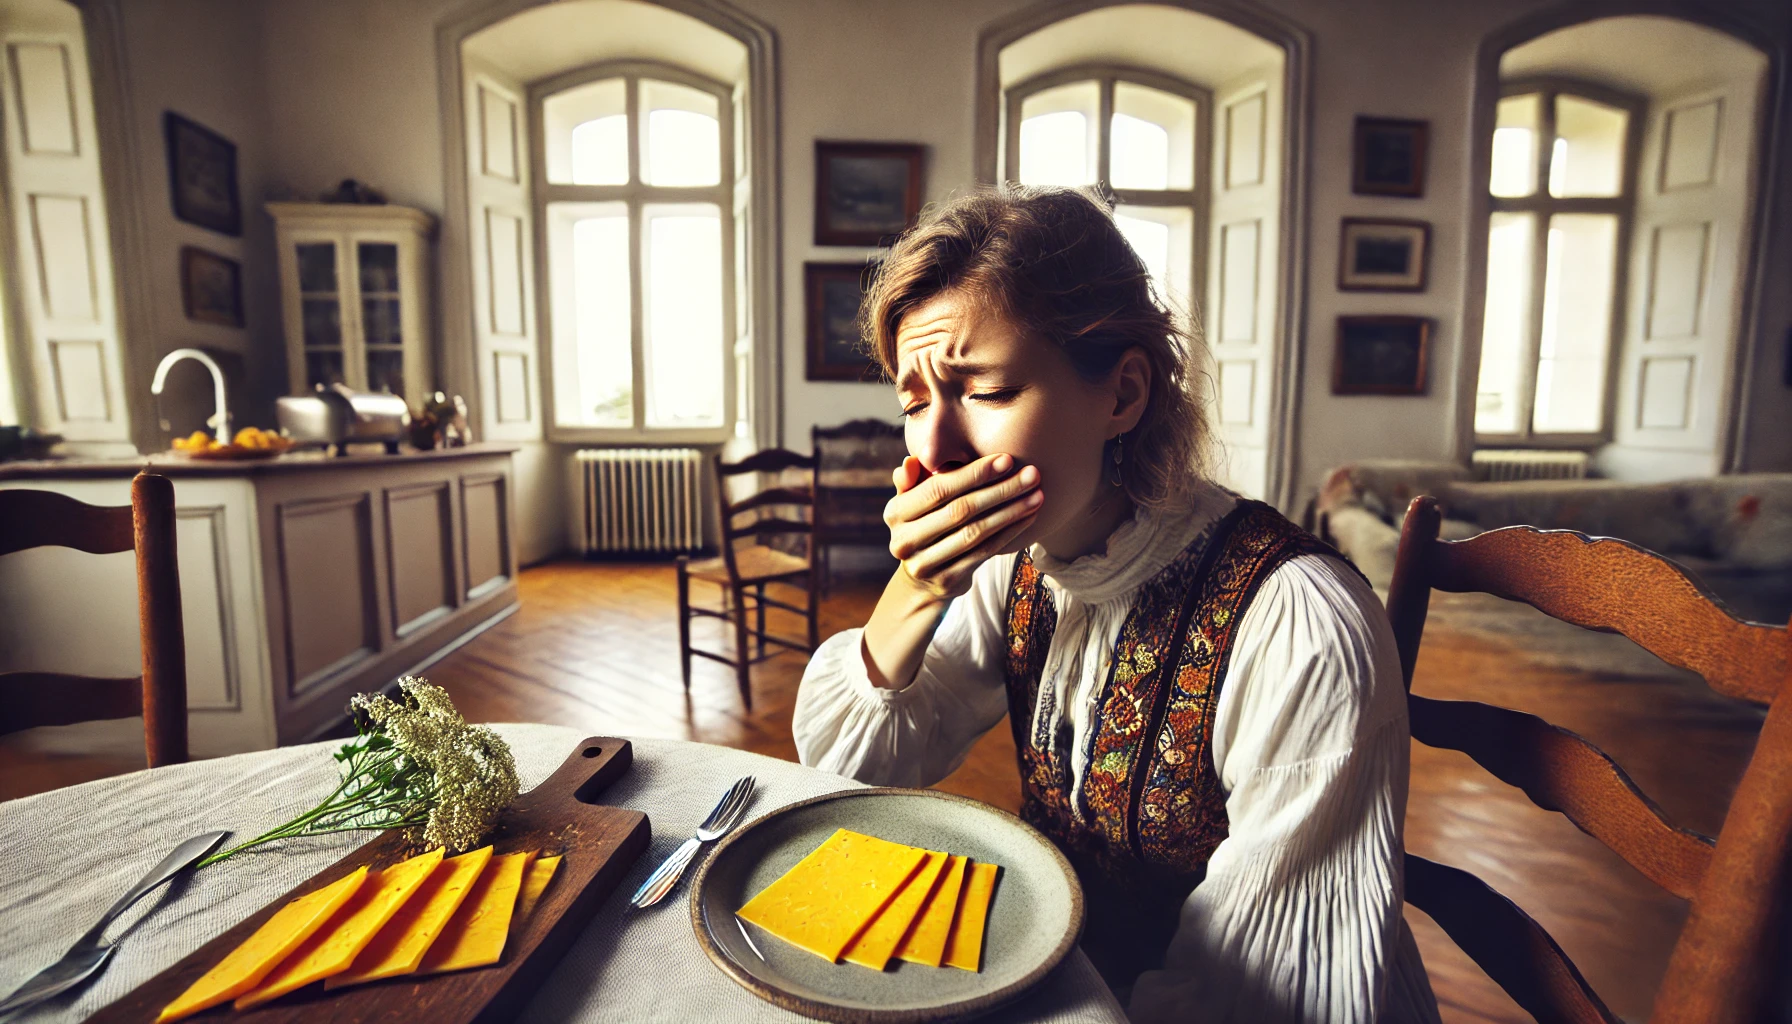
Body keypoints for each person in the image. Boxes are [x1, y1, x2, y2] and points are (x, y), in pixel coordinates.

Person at [791, 184, 1441, 1023]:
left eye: (982, 391)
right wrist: (914, 589)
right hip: (1066, 971)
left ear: (1123, 395)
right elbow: (851, 779)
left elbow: (1262, 995)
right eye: (915, 402)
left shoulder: (1303, 630)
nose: (936, 448)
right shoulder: (1016, 566)